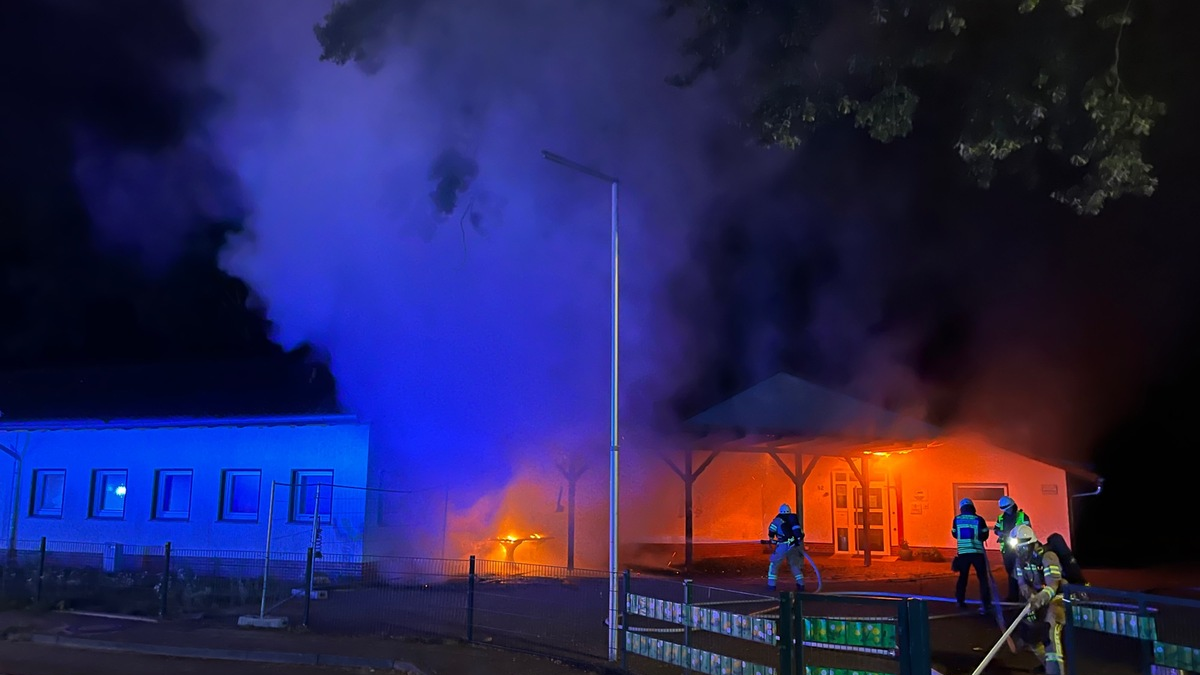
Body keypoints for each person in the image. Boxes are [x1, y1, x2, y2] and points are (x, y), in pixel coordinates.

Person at [1011, 524, 1067, 675]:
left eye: (1021, 548)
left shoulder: (1048, 556)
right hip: (1038, 600)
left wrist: (1037, 601)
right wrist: (1031, 598)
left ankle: (1056, 672)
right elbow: (1022, 584)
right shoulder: (1019, 561)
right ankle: (1046, 665)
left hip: (1059, 598)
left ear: (1031, 544)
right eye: (1017, 549)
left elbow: (1053, 586)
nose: (1019, 552)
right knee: (1031, 633)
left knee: (1050, 629)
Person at [951, 498, 993, 614]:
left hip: (963, 552)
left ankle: (960, 601)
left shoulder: (957, 519)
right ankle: (986, 603)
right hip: (977, 552)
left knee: (963, 578)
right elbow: (984, 534)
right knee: (983, 578)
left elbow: (954, 533)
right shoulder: (978, 519)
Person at [994, 495, 1031, 602]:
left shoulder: (1022, 516)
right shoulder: (1001, 518)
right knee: (1011, 573)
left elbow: (1028, 530)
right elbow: (996, 529)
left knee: (1022, 572)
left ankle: (1026, 595)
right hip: (1007, 549)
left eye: (1008, 508)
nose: (1007, 511)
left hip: (1020, 548)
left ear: (1012, 505)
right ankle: (1013, 596)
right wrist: (999, 532)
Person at [766, 503, 805, 591]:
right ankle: (801, 584)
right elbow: (800, 533)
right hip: (794, 546)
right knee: (795, 565)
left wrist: (771, 538)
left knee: (774, 564)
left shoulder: (777, 520)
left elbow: (771, 530)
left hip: (783, 545)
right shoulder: (793, 520)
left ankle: (771, 585)